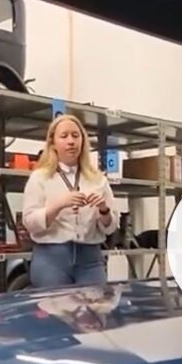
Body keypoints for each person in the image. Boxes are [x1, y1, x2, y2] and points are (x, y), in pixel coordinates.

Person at [23, 114, 117, 287]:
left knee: (95, 310)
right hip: (51, 259)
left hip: (90, 258)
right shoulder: (40, 178)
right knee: (56, 312)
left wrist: (104, 210)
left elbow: (110, 227)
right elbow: (29, 223)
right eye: (64, 136)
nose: (71, 141)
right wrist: (58, 205)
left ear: (83, 141)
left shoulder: (98, 179)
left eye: (76, 135)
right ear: (53, 143)